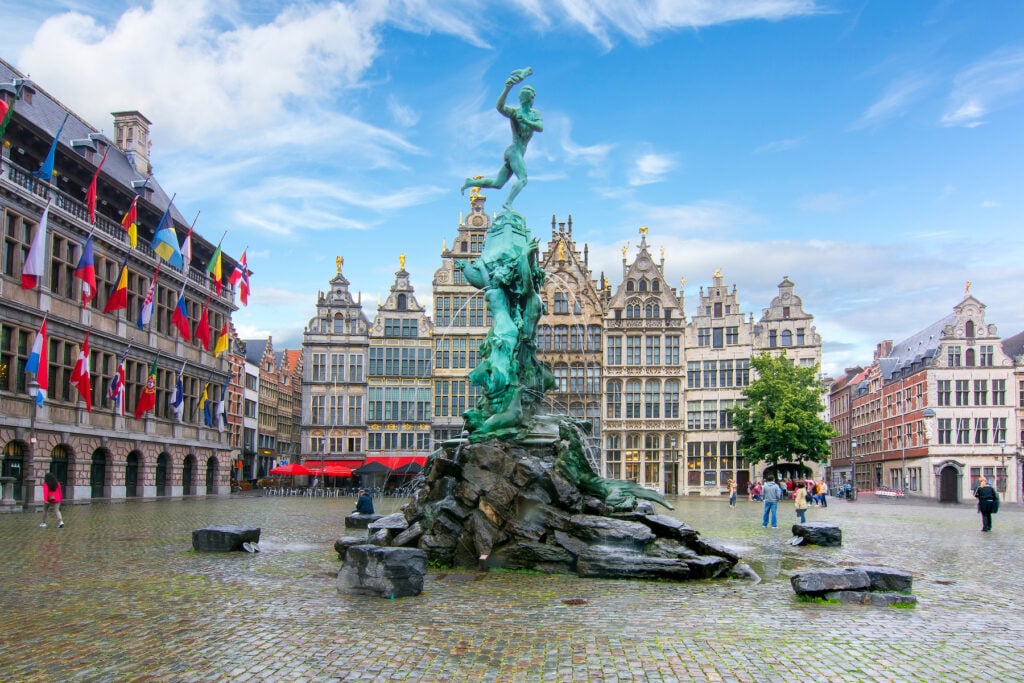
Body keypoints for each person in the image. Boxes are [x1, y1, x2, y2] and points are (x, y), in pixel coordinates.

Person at [460, 67, 543, 210]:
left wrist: (525, 120)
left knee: (497, 184)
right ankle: (507, 203)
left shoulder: (533, 114)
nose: (531, 100)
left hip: (516, 152)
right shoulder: (515, 112)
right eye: (531, 97)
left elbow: (540, 127)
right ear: (530, 99)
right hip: (514, 151)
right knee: (523, 179)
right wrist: (507, 88)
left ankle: (470, 182)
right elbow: (499, 106)